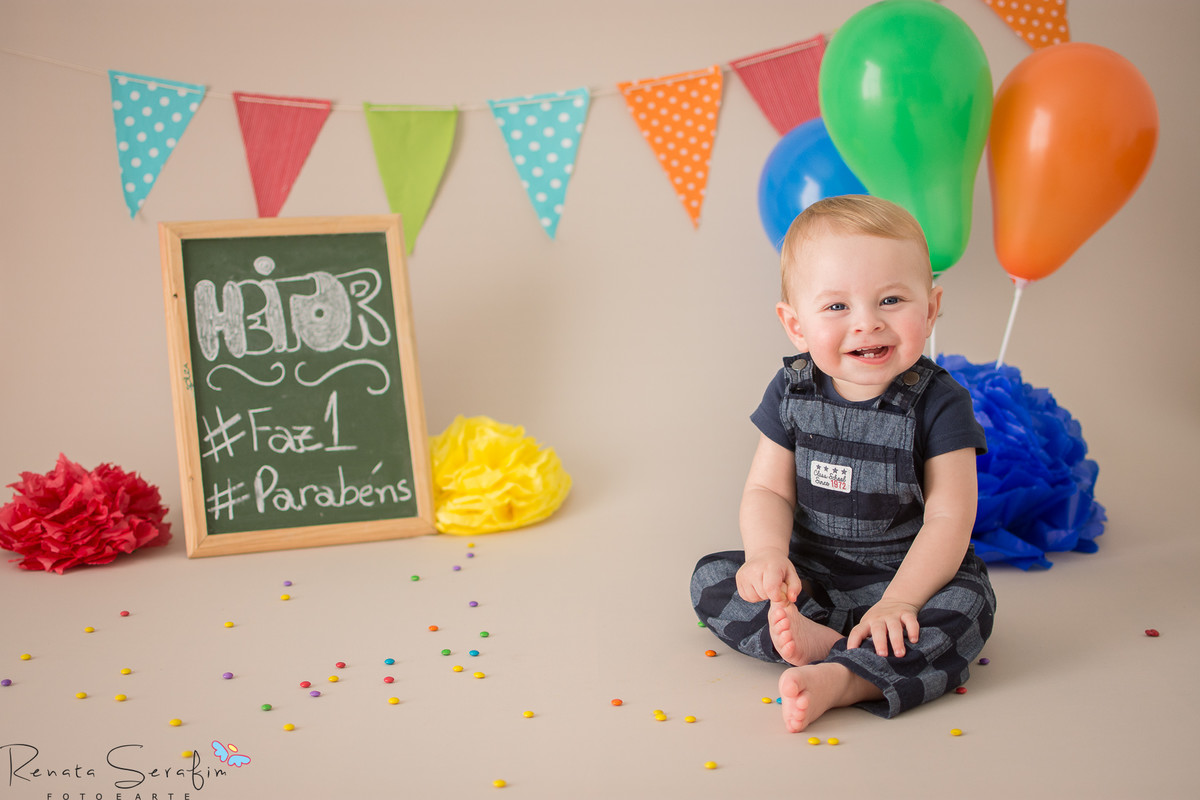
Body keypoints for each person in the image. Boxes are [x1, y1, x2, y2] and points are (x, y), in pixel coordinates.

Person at [691, 195, 995, 733]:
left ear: (930, 309)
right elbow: (768, 491)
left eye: (891, 300)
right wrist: (767, 556)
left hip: (910, 578)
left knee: (969, 606)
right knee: (713, 579)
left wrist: (901, 600)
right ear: (795, 324)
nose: (867, 323)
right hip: (812, 577)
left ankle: (845, 677)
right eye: (837, 307)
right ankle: (829, 641)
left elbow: (950, 519)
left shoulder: (941, 403)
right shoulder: (792, 390)